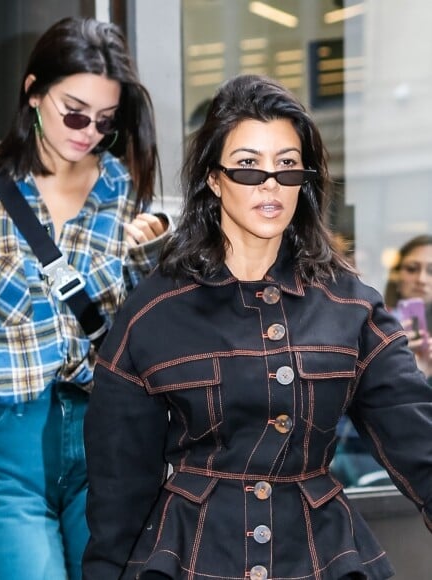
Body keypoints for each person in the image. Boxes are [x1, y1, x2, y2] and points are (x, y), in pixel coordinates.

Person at [82, 74, 432, 580]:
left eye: (286, 166)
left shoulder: (349, 304)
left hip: (322, 558)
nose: (270, 183)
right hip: (194, 559)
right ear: (214, 178)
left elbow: (413, 432)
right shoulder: (153, 311)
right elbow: (118, 490)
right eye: (248, 165)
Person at [0, 16, 170, 580]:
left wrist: (150, 256)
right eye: (73, 111)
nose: (87, 131)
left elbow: (150, 341)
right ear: (34, 91)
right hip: (3, 436)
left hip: (106, 438)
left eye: (104, 122)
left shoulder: (126, 196)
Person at [384, 234, 432, 382]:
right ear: (396, 276)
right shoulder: (376, 325)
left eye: (431, 271)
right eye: (412, 269)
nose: (421, 279)